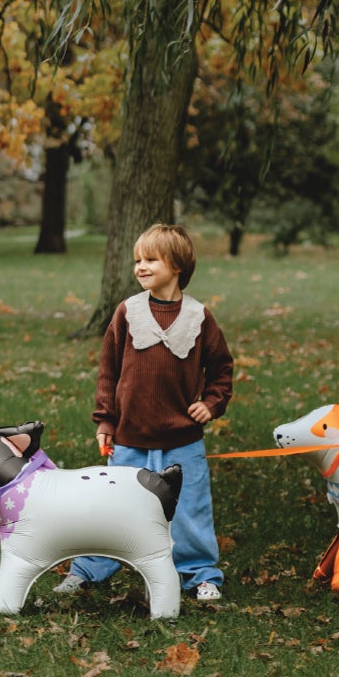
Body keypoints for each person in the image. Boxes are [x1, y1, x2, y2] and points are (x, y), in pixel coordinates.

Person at [59, 223, 233, 602]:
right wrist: (105, 420)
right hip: (130, 438)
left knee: (189, 512)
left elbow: (222, 369)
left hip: (183, 440)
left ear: (177, 265)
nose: (140, 266)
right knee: (112, 509)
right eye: (138, 260)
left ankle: (199, 574)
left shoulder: (200, 317)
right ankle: (88, 570)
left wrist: (210, 403)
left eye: (151, 259)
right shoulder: (127, 312)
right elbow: (109, 371)